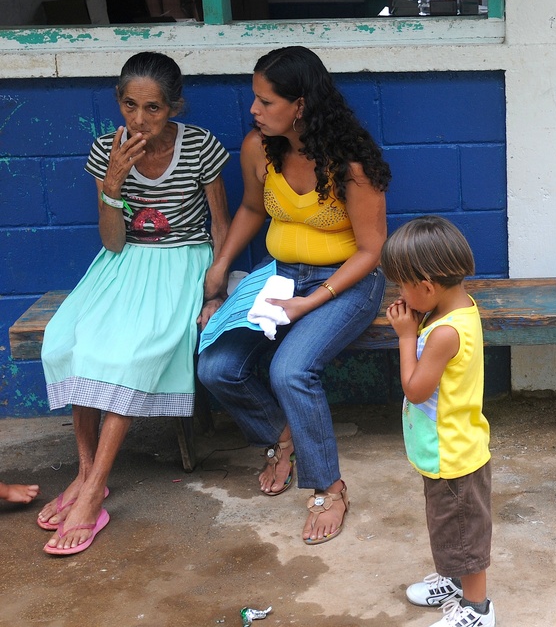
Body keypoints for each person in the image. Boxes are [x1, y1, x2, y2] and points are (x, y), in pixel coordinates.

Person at [37, 52, 231, 555]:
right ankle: (88, 477)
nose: (139, 120)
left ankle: (94, 488)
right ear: (118, 103)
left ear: (173, 107)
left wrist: (216, 288)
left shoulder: (201, 147)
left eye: (153, 108)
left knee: (127, 355)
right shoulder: (106, 150)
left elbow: (221, 227)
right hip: (125, 262)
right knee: (71, 340)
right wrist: (114, 186)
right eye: (129, 105)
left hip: (181, 263)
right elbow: (113, 243)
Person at [197, 46, 390, 545]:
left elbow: (371, 251)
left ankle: (329, 486)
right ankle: (283, 435)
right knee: (216, 367)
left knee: (291, 370)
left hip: (347, 281)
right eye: (254, 99)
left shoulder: (350, 162)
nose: (254, 110)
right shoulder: (258, 149)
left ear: (300, 105)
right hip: (278, 275)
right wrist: (221, 267)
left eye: (265, 101)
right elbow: (250, 209)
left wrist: (313, 300)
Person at [382, 216, 496, 627]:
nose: (399, 294)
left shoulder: (444, 333)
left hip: (454, 456)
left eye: (401, 285)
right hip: (447, 446)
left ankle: (477, 608)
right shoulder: (460, 307)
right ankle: (452, 581)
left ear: (427, 287)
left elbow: (415, 389)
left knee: (463, 533)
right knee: (450, 528)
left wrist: (405, 337)